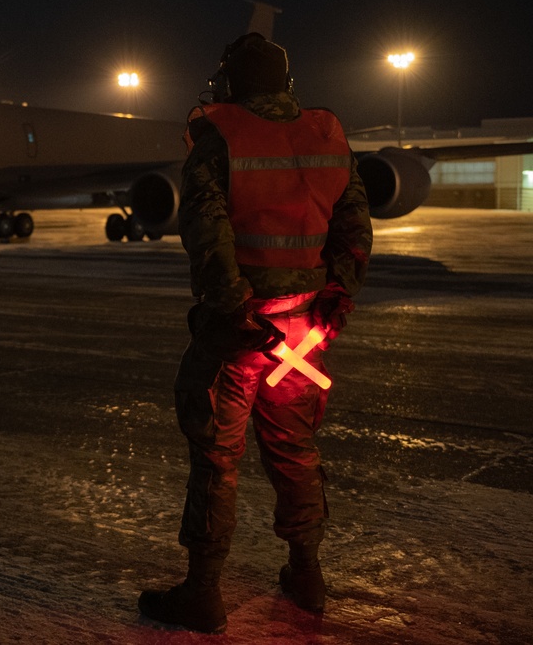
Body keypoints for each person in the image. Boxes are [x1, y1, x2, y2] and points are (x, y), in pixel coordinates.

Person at [138, 33, 373, 633]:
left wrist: (235, 307)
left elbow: (206, 230)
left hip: (241, 329)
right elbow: (354, 227)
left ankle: (204, 592)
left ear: (233, 81)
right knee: (295, 450)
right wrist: (335, 301)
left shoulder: (220, 136)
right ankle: (306, 575)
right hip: (304, 326)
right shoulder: (328, 135)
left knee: (217, 456)